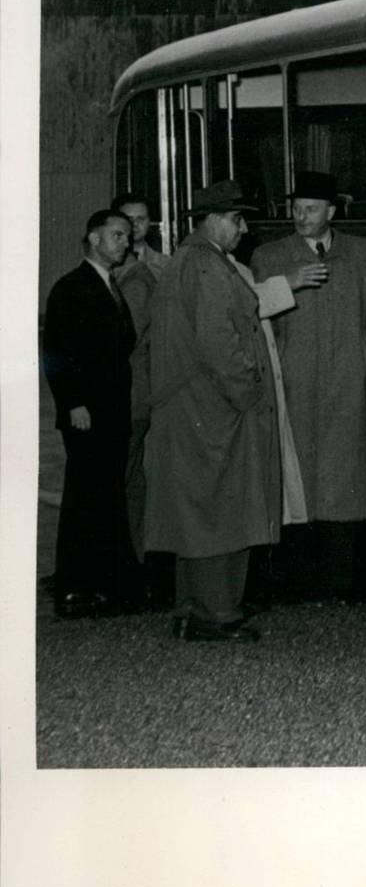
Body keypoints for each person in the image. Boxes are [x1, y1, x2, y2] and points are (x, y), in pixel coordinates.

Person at [249, 169, 366, 599]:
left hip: (345, 384)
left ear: (332, 211)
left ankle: (339, 583)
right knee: (297, 483)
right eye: (295, 209)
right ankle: (297, 582)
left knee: (343, 484)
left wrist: (363, 359)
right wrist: (277, 367)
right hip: (292, 384)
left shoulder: (362, 254)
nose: (301, 216)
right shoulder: (270, 256)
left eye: (310, 209)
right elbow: (256, 317)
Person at [143, 181, 280, 642]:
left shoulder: (189, 261)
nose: (244, 228)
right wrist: (250, 394)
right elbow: (220, 343)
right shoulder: (206, 266)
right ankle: (217, 612)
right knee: (223, 511)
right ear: (211, 220)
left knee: (197, 514)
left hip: (196, 407)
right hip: (216, 410)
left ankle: (193, 608)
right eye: (237, 219)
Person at [41, 208, 142, 616]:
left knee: (103, 494)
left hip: (109, 411)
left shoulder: (106, 285)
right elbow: (57, 352)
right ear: (93, 238)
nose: (125, 242)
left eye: (126, 236)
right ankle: (74, 586)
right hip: (88, 413)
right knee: (86, 496)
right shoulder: (72, 288)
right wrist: (73, 403)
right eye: (117, 235)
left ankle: (102, 583)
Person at [111, 194, 168, 590]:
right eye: (127, 221)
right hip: (140, 386)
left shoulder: (155, 271)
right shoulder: (119, 269)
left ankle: (140, 560)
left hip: (145, 385)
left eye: (141, 219)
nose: (134, 228)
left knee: (138, 475)